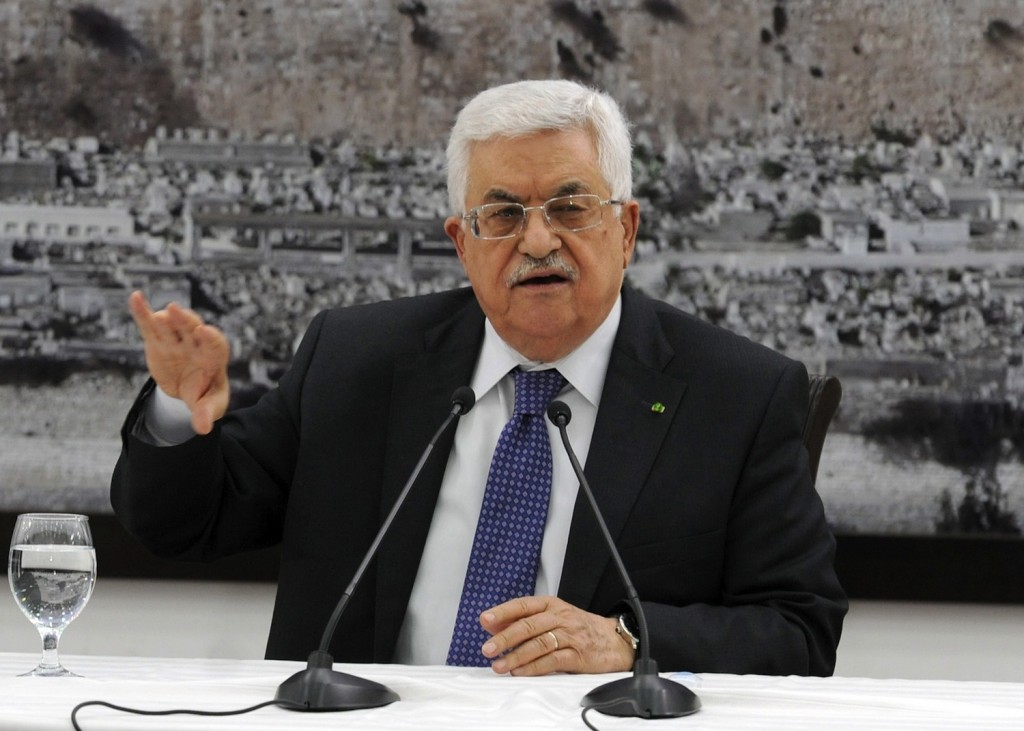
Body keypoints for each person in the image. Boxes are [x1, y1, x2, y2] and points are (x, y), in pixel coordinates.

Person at [111, 79, 847, 677]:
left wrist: (627, 642)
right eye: (502, 214)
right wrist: (179, 412)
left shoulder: (737, 395)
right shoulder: (355, 359)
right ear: (463, 243)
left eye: (569, 206)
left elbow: (798, 630)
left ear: (626, 230)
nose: (536, 239)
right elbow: (185, 523)